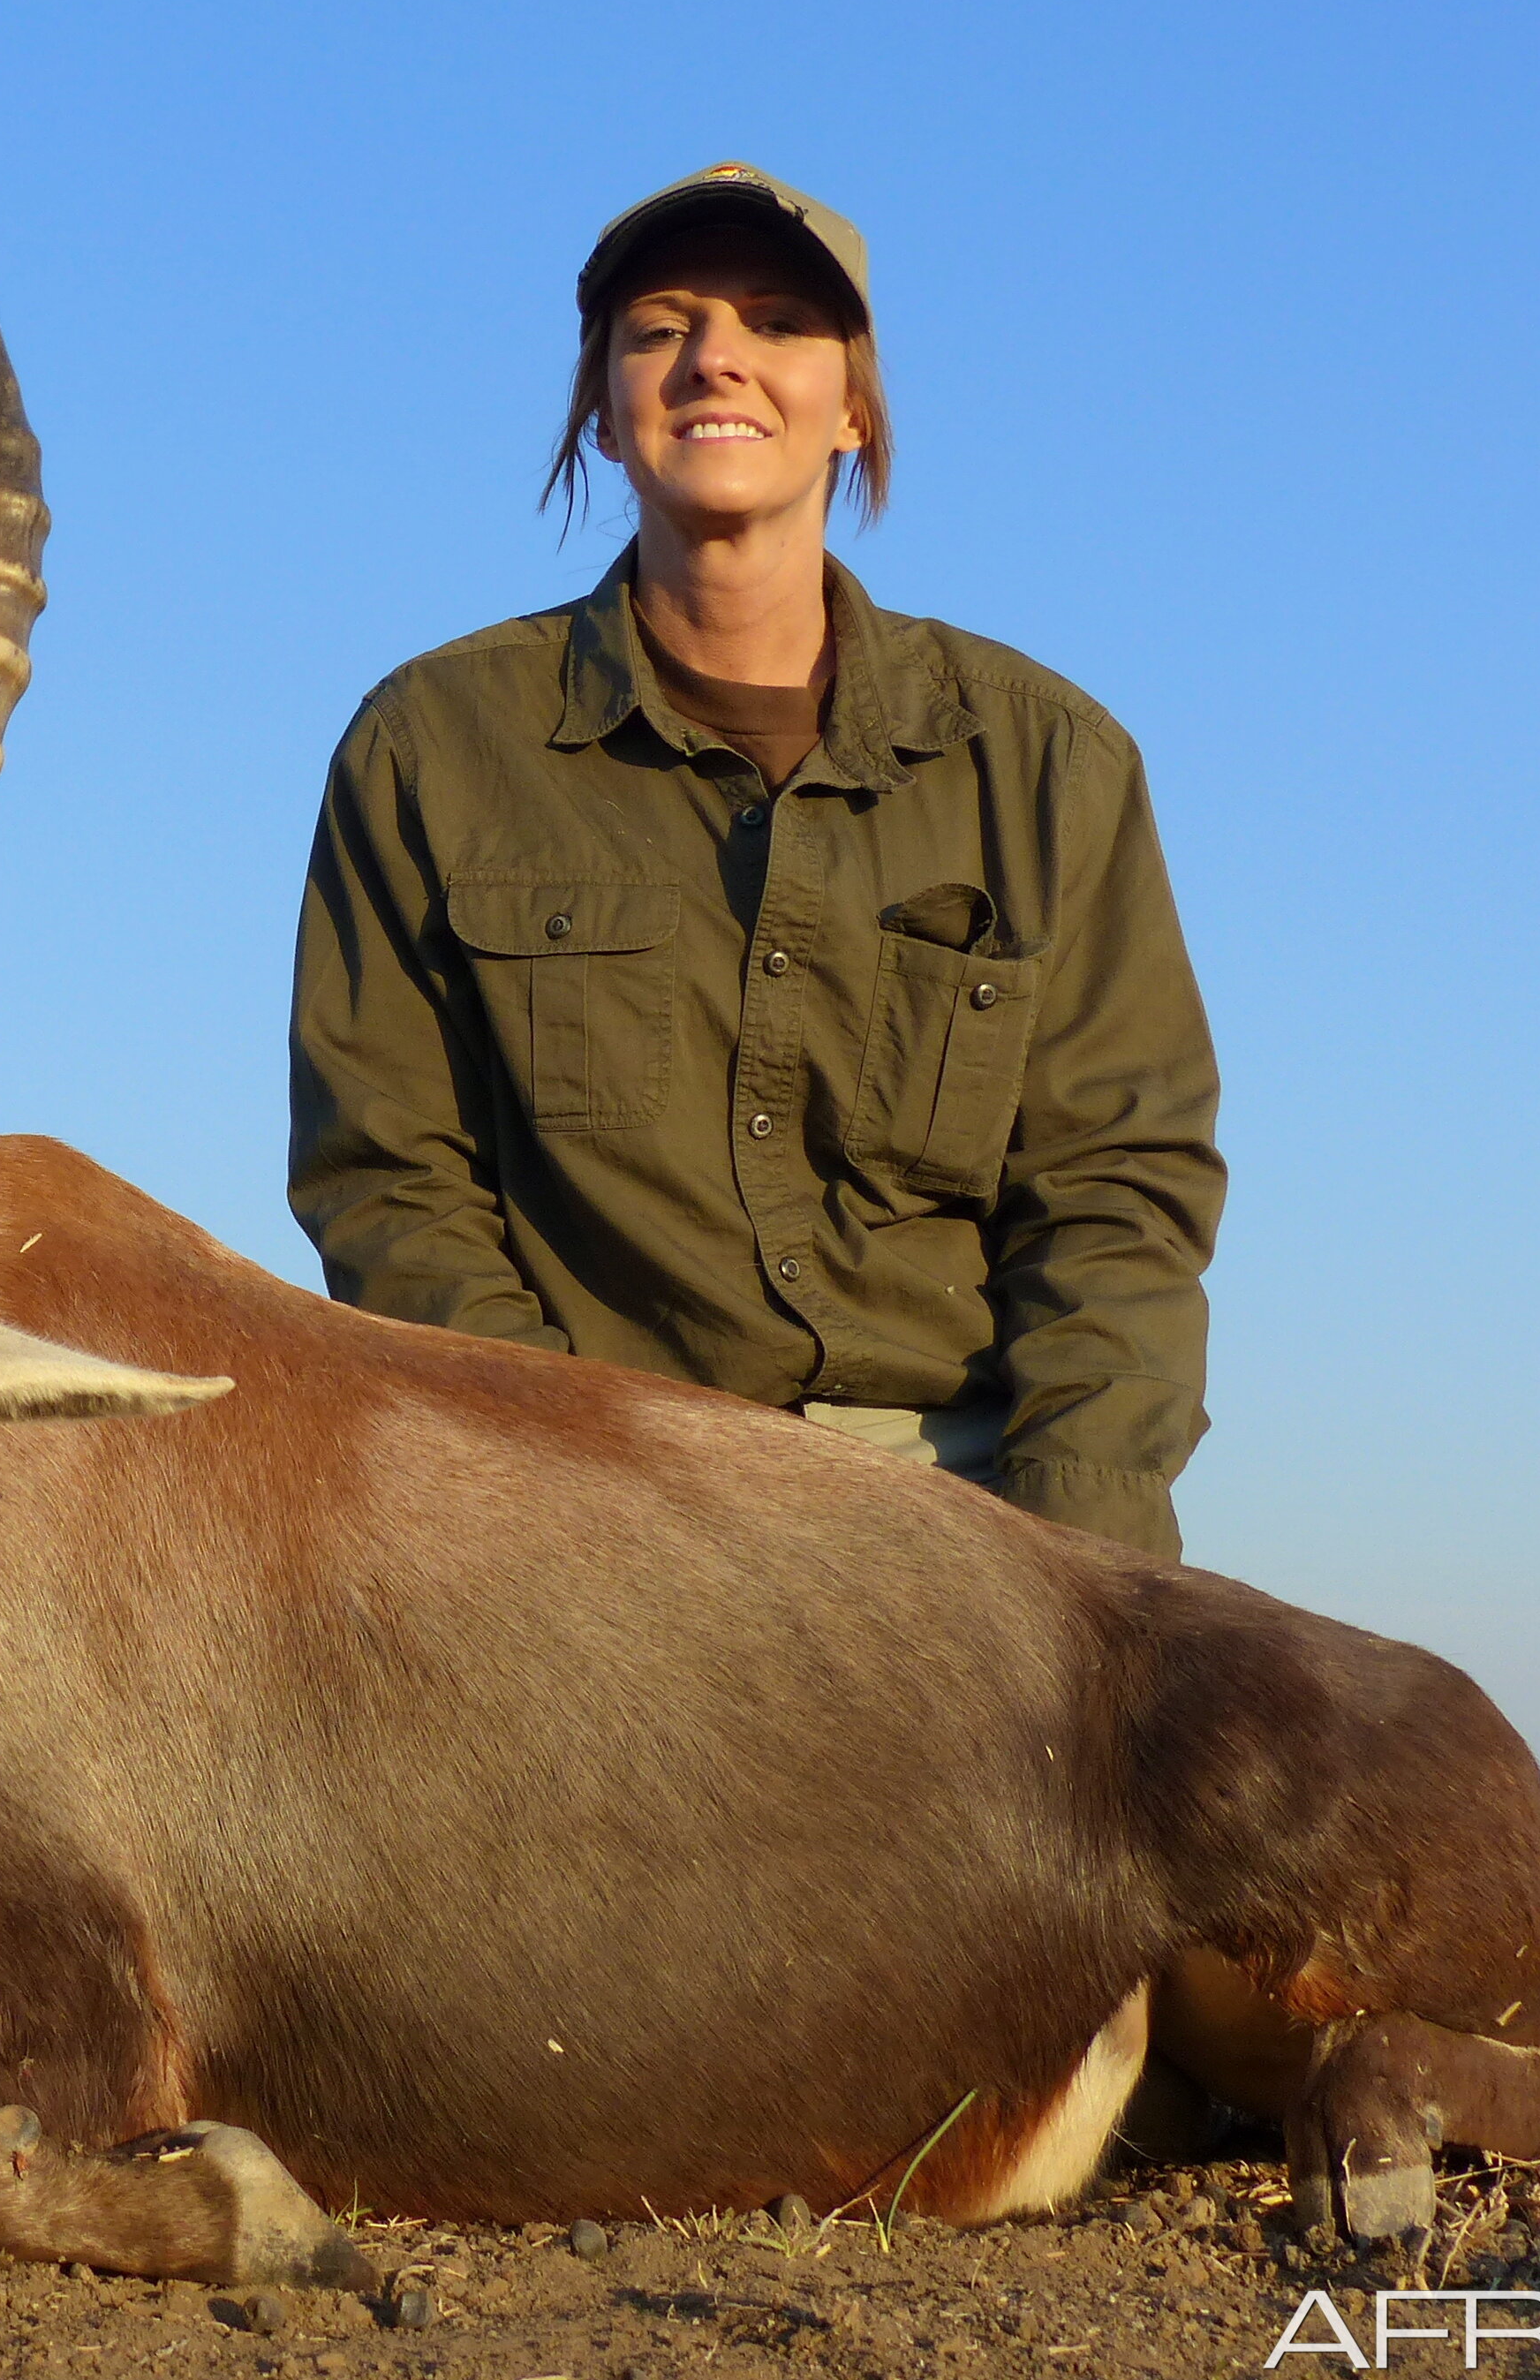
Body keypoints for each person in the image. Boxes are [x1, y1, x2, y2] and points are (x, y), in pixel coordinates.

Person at [288, 162, 1225, 1558]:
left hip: (968, 1502)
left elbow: (1116, 1195)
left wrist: (1081, 1565)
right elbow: (390, 1181)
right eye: (659, 329)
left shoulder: (1049, 764)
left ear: (853, 407)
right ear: (605, 410)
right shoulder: (432, 744)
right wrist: (562, 1479)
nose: (715, 356)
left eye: (780, 322)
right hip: (588, 1495)